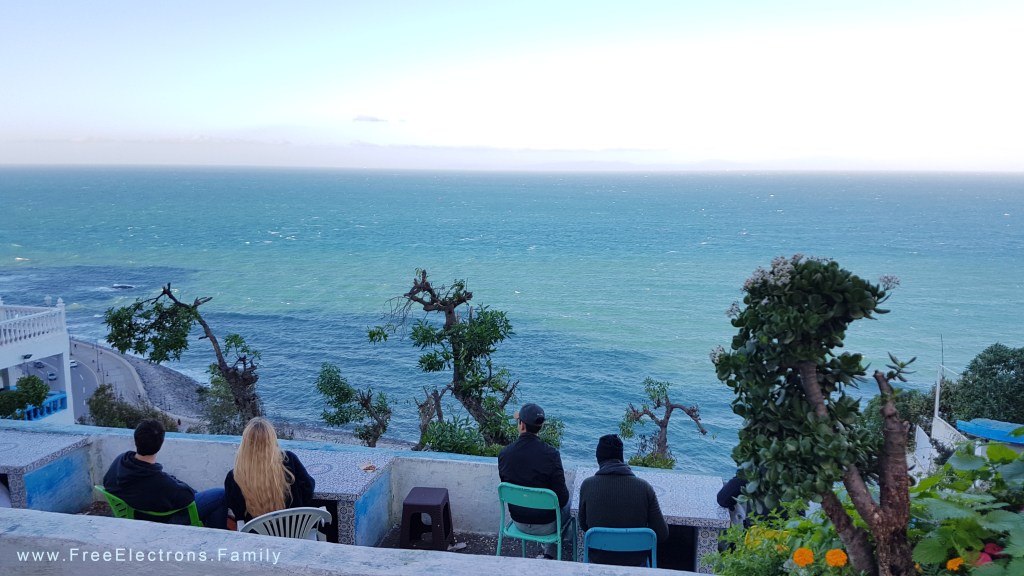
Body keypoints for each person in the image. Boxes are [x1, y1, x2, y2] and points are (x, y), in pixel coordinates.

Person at [103, 419, 227, 528]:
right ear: (160, 444)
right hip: (166, 520)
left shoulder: (121, 461)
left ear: (136, 440)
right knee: (221, 495)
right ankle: (217, 537)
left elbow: (107, 483)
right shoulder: (159, 482)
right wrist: (175, 482)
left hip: (135, 514)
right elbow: (188, 498)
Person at [578, 434, 669, 566]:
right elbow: (661, 534)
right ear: (621, 457)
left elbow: (584, 524)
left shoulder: (588, 485)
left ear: (598, 458)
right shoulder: (644, 488)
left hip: (599, 559)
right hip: (636, 561)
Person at [497, 402, 572, 560]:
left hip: (518, 521)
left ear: (522, 425)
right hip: (547, 526)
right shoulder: (551, 455)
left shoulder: (505, 454)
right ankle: (548, 554)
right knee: (568, 503)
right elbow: (562, 498)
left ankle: (546, 553)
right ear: (541, 427)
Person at [224, 417, 315, 525]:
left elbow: (237, 512)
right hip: (295, 532)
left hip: (257, 538)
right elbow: (308, 489)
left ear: (245, 443)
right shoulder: (289, 460)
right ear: (272, 439)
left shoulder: (234, 476)